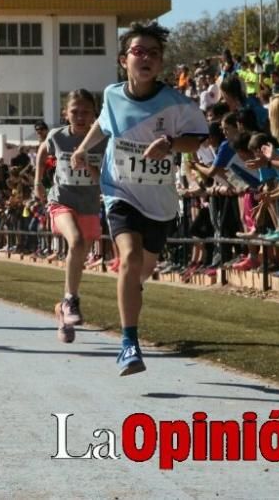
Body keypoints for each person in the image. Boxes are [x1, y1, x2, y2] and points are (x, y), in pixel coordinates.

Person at [70, 22, 208, 375]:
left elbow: (198, 138)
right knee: (128, 257)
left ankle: (131, 294)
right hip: (120, 191)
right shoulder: (113, 94)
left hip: (159, 202)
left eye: (153, 53)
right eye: (138, 52)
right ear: (123, 60)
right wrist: (83, 149)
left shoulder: (177, 104)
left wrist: (172, 144)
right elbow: (104, 123)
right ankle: (129, 343)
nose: (145, 58)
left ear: (160, 63)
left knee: (141, 272)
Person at [34, 89, 107, 343]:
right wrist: (38, 182)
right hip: (61, 201)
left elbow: (102, 180)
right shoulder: (57, 136)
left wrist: (88, 165)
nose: (80, 116)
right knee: (75, 242)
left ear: (94, 115)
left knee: (78, 258)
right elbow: (43, 152)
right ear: (66, 113)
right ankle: (71, 301)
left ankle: (63, 309)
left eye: (86, 112)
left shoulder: (102, 140)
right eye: (74, 111)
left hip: (88, 205)